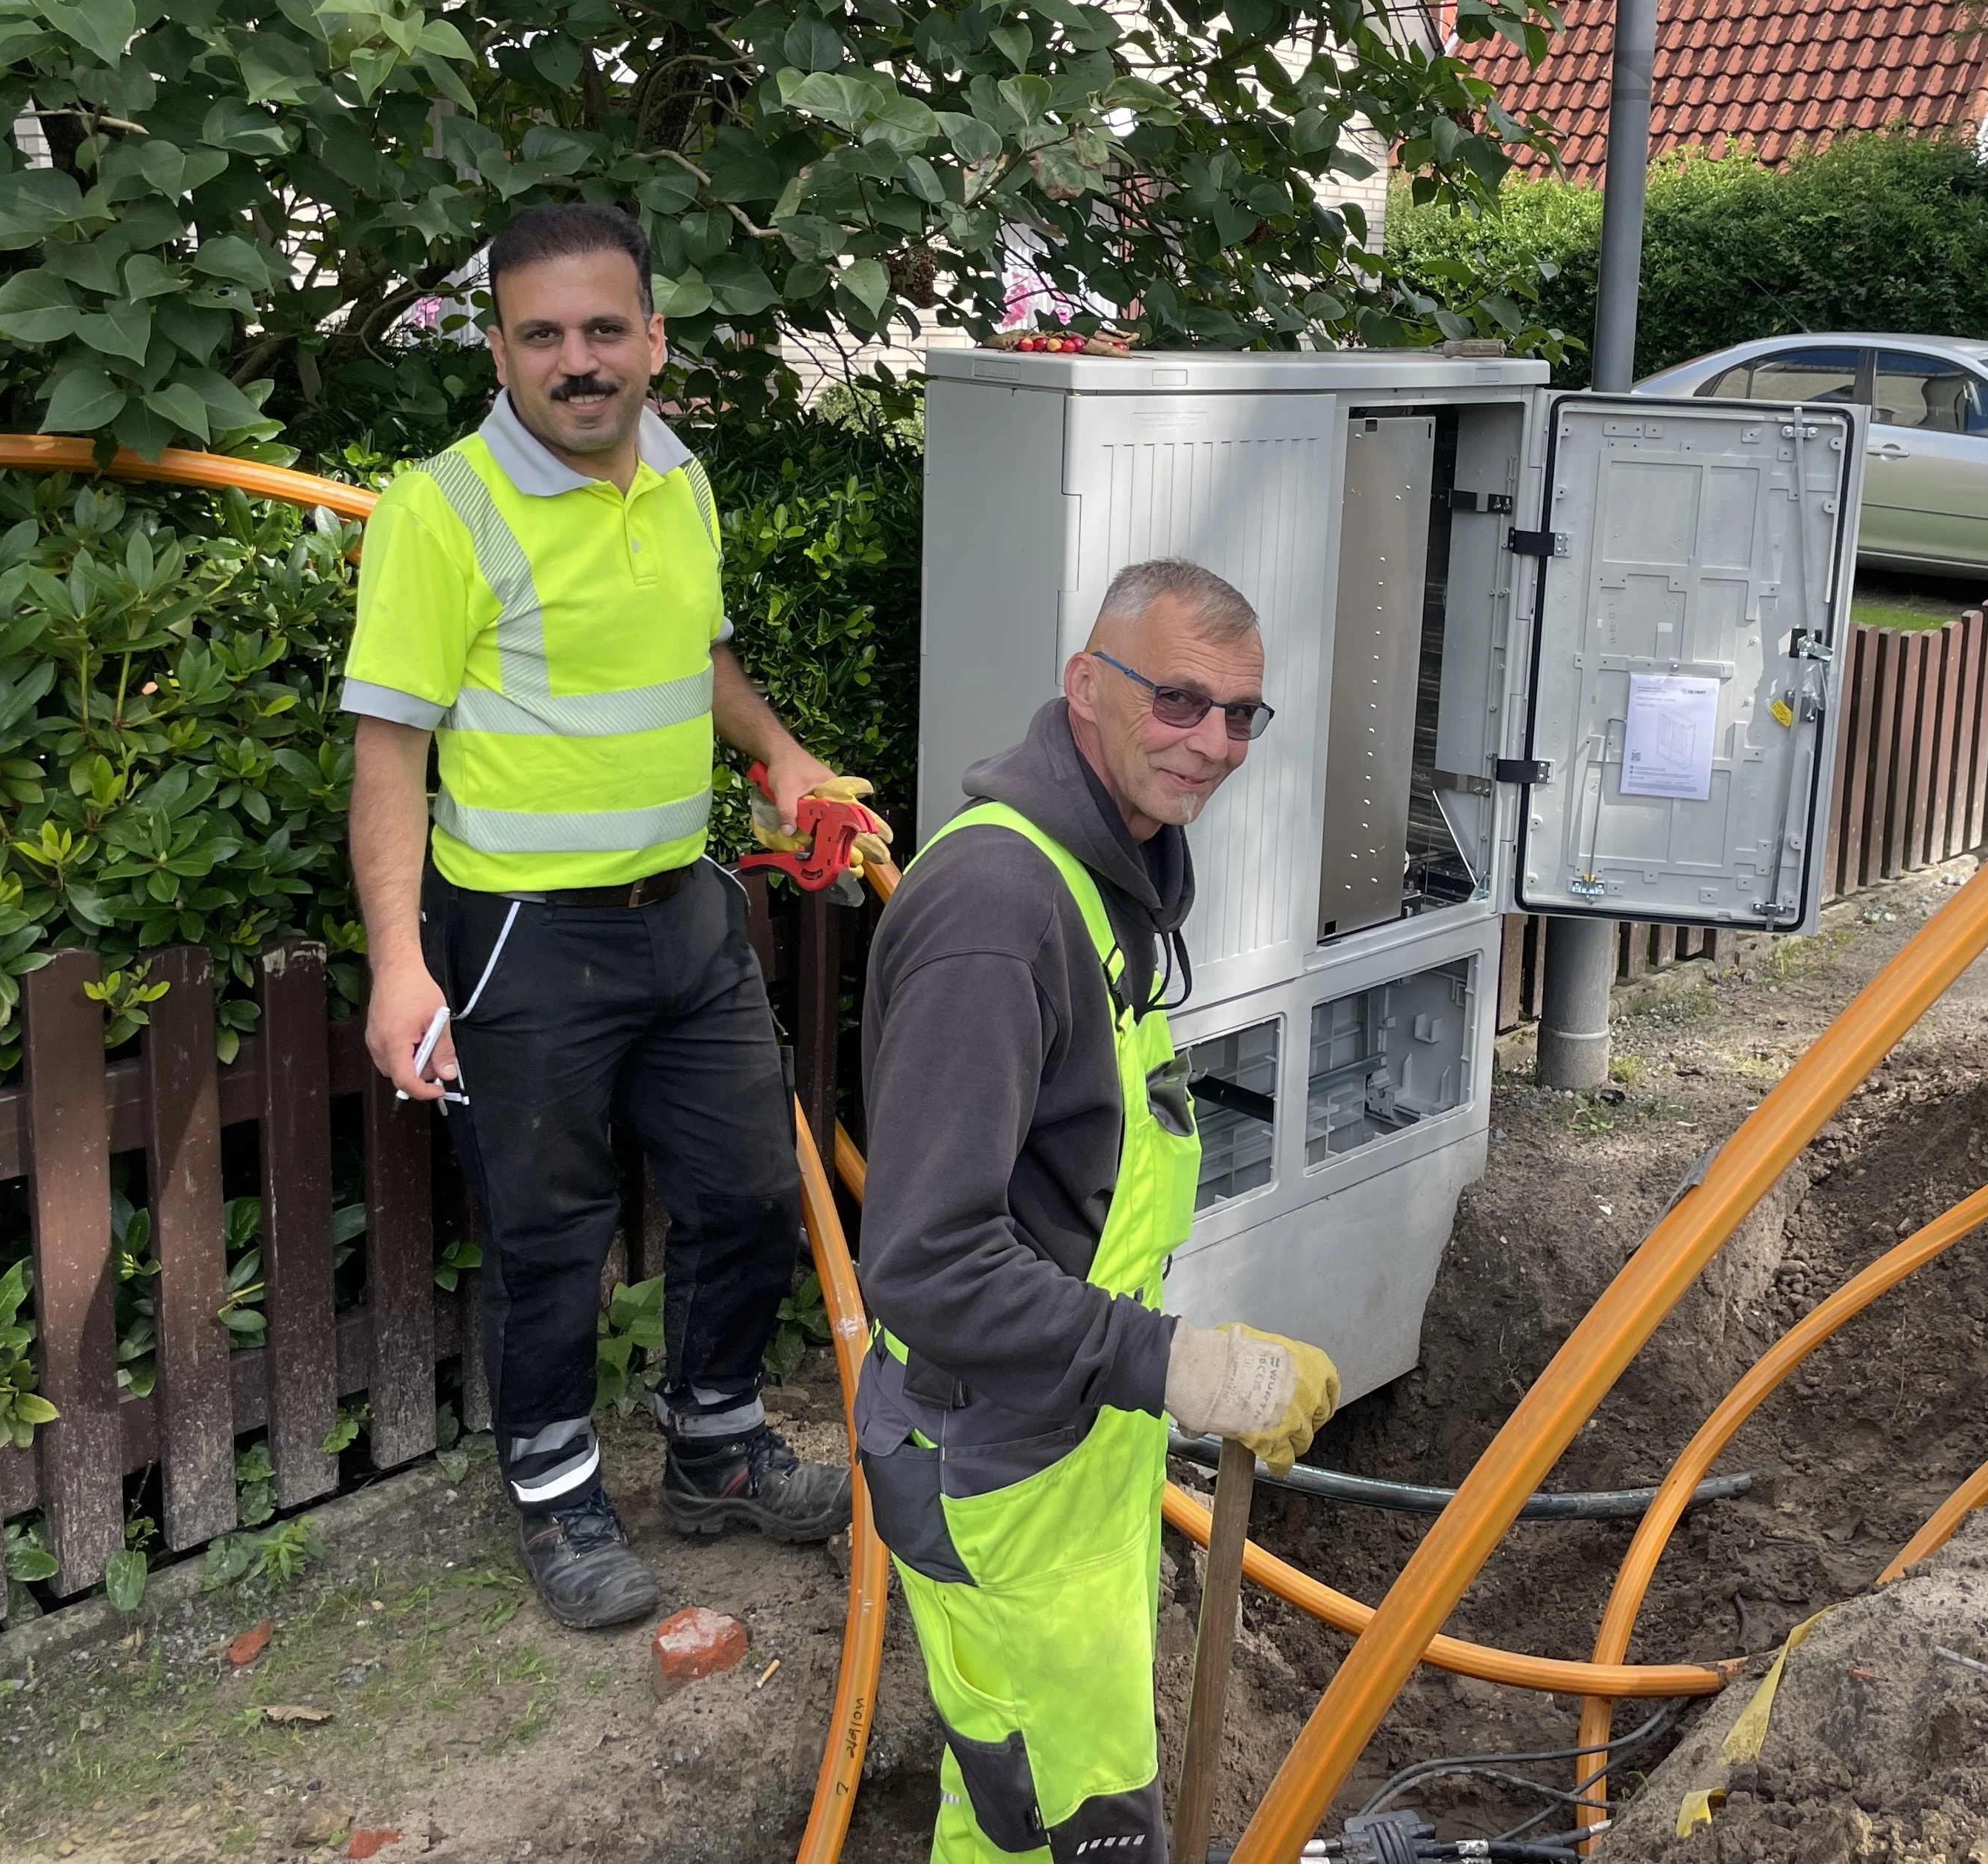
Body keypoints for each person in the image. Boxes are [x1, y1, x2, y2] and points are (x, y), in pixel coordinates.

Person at [342, 200, 864, 1629]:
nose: (580, 360)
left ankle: (713, 1448)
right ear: (498, 351)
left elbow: (697, 657)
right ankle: (559, 1489)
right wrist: (400, 966)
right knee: (548, 1232)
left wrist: (780, 754)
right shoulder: (440, 510)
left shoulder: (680, 475)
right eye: (543, 335)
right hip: (521, 933)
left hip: (683, 908)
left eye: (604, 329)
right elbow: (387, 746)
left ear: (653, 336)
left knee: (756, 1189)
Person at [856, 558, 1342, 1862]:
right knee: (1071, 1827)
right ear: (1085, 686)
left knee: (1025, 1804)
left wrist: (1141, 1377)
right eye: (1179, 700)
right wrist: (1171, 1361)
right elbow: (925, 1263)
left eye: (1243, 714)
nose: (1215, 743)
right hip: (997, 1463)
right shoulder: (998, 915)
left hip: (1074, 1447)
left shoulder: (1106, 872)